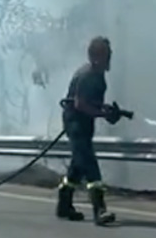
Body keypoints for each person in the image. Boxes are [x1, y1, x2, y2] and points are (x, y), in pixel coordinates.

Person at [56, 36, 122, 226]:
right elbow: (80, 104)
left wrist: (108, 111)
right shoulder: (88, 75)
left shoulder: (98, 76)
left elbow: (93, 103)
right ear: (95, 57)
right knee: (90, 165)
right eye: (106, 55)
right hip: (76, 124)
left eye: (110, 55)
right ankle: (99, 210)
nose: (109, 59)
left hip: (84, 123)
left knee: (78, 166)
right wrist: (103, 115)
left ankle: (64, 205)